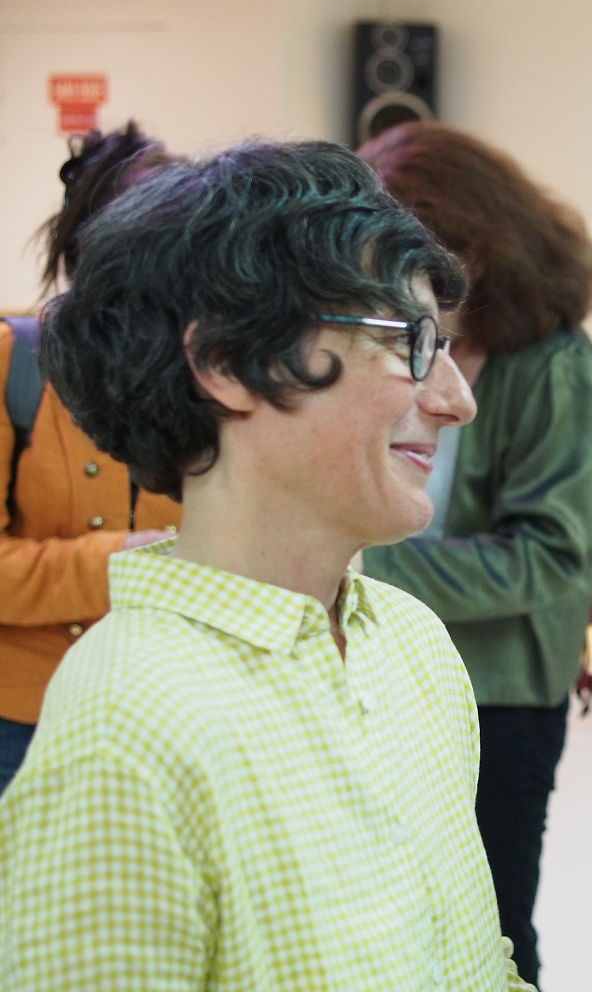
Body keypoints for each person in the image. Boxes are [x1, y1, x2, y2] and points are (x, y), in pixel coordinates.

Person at [0, 139, 533, 991]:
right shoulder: (128, 731)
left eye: (446, 348)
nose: (455, 400)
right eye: (410, 343)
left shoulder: (411, 643)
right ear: (226, 363)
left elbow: (475, 961)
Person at [358, 120, 592, 987]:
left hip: (501, 692)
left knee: (493, 923)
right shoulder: (397, 338)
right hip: (392, 666)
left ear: (476, 243)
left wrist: (362, 566)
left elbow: (547, 557)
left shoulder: (554, 364)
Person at [0, 121, 179, 795]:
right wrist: (125, 560)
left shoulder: (222, 377)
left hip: (167, 713)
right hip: (22, 722)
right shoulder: (16, 364)